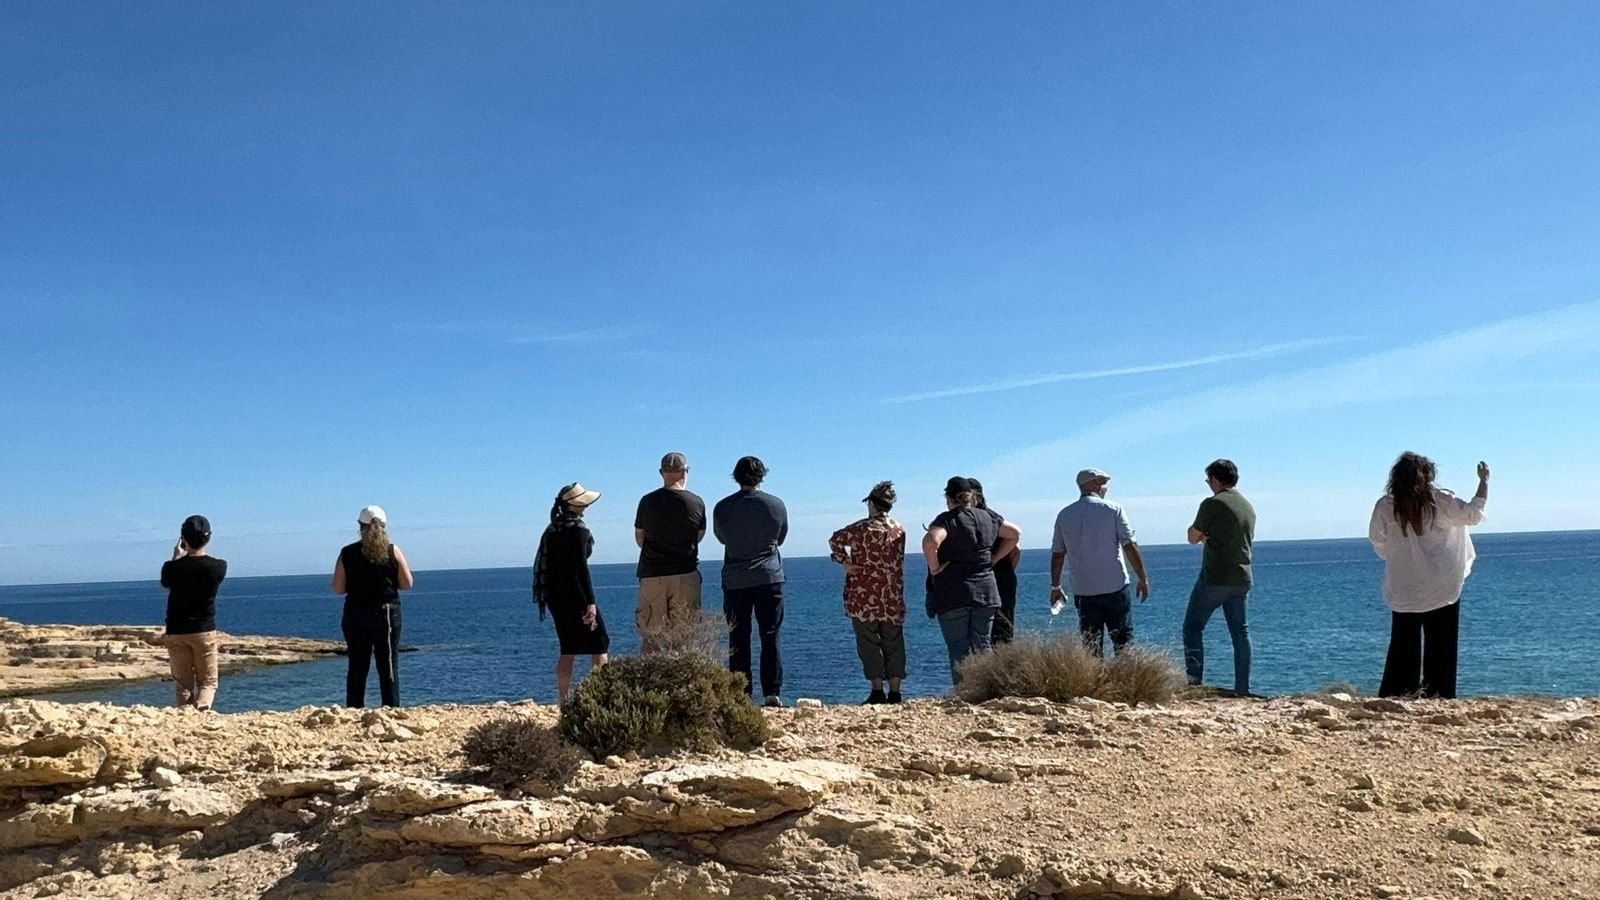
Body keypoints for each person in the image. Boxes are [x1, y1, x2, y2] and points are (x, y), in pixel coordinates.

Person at [1369, 453, 1489, 699]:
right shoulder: (1441, 500)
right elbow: (1473, 515)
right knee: (1442, 645)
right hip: (1441, 584)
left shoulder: (1385, 506)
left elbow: (1378, 541)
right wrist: (1484, 481)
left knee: (1403, 644)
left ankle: (1399, 693)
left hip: (1404, 585)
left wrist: (1398, 555)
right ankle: (1438, 694)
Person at [924, 477, 1021, 683]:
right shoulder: (988, 517)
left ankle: (964, 690)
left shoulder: (947, 520)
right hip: (986, 591)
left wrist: (935, 569)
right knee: (983, 645)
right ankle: (984, 689)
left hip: (953, 593)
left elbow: (931, 541)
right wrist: (993, 559)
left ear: (948, 498)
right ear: (971, 497)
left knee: (958, 647)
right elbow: (1014, 534)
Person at [713, 456, 789, 706]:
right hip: (769, 576)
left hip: (736, 579)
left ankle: (740, 694)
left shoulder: (722, 507)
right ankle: (772, 692)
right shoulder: (776, 505)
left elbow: (722, 538)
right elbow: (781, 538)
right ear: (762, 476)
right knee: (770, 635)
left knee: (738, 637)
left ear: (736, 477)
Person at [1050, 468, 1150, 656]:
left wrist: (1056, 586)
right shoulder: (1113, 509)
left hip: (1084, 590)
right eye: (1102, 483)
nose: (1104, 487)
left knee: (1091, 645)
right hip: (1115, 586)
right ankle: (1127, 674)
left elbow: (1057, 554)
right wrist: (1142, 578)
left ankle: (1093, 675)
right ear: (1094, 484)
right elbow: (1130, 546)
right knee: (1123, 641)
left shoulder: (1064, 515)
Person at [828, 481, 908, 704]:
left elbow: (834, 540)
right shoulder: (899, 530)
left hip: (864, 595)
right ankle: (895, 692)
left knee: (868, 643)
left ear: (872, 504)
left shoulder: (861, 528)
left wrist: (845, 561)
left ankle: (877, 690)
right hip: (891, 595)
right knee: (894, 642)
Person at [1182, 459, 1257, 696]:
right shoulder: (1246, 505)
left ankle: (1194, 685)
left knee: (1192, 628)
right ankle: (1243, 689)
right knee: (1240, 633)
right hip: (1242, 577)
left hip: (1216, 577)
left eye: (1208, 480)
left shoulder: (1212, 504)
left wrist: (1203, 535)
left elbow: (1192, 537)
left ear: (1215, 480)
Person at [332, 505, 414, 708]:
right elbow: (407, 583)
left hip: (356, 614)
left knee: (357, 666)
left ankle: (354, 710)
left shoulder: (347, 553)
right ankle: (391, 709)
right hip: (386, 614)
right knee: (388, 666)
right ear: (384, 526)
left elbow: (337, 588)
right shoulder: (392, 551)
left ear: (360, 526)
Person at [533, 483, 609, 702]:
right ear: (575, 504)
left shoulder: (552, 530)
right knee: (600, 643)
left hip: (555, 597)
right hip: (577, 596)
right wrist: (590, 603)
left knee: (568, 648)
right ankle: (600, 696)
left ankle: (563, 700)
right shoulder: (579, 530)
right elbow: (581, 569)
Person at [634, 452, 706, 654]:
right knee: (683, 637)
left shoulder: (647, 501)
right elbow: (698, 537)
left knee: (651, 635)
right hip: (685, 573)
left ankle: (648, 674)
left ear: (661, 472)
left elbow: (640, 538)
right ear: (685, 472)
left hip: (652, 574)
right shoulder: (696, 502)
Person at [160, 514, 227, 710]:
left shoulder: (172, 568)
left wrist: (176, 557)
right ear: (208, 537)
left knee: (183, 684)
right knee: (207, 682)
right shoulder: (218, 567)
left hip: (176, 630)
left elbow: (165, 585)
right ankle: (202, 711)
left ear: (183, 539)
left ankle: (185, 714)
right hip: (203, 630)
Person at [970, 479, 1021, 644]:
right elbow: (1016, 551)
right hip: (1002, 575)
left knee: (983, 631)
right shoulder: (993, 517)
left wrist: (992, 561)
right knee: (1003, 628)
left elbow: (1015, 548)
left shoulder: (982, 520)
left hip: (990, 576)